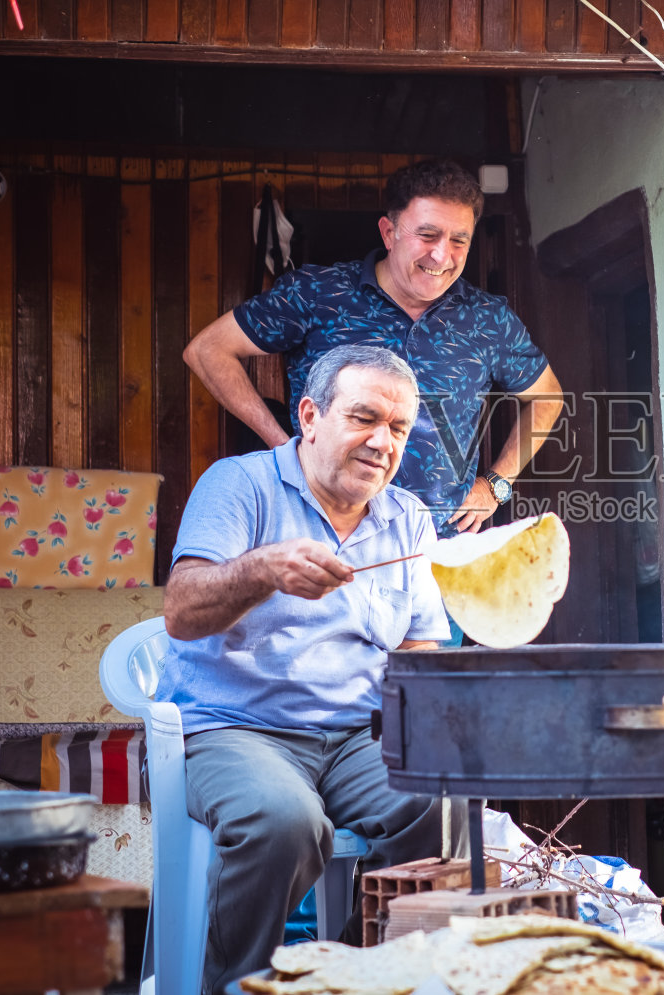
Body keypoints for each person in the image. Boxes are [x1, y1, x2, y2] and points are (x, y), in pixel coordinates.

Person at [160, 344, 464, 994]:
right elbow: (182, 611)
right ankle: (239, 986)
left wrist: (440, 731)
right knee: (283, 819)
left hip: (355, 738)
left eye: (398, 428)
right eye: (364, 418)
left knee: (441, 797)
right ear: (310, 415)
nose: (382, 441)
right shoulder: (239, 484)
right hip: (234, 731)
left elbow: (420, 650)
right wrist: (264, 567)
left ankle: (365, 974)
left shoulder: (407, 517)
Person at [183, 158, 563, 539]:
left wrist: (497, 485)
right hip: (320, 534)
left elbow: (548, 397)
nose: (441, 255)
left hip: (437, 550)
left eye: (459, 240)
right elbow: (207, 350)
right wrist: (284, 446)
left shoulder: (488, 319)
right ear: (388, 232)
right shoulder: (318, 293)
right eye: (427, 235)